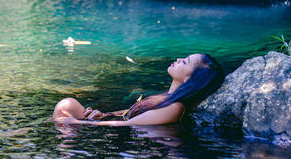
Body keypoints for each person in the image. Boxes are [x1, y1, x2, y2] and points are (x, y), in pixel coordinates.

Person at [53, 53, 225, 126]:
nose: (179, 58)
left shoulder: (174, 108)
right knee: (67, 106)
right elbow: (132, 113)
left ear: (189, 79)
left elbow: (129, 125)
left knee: (65, 107)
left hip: (116, 136)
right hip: (106, 123)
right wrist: (105, 114)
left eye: (185, 62)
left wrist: (77, 123)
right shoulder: (166, 96)